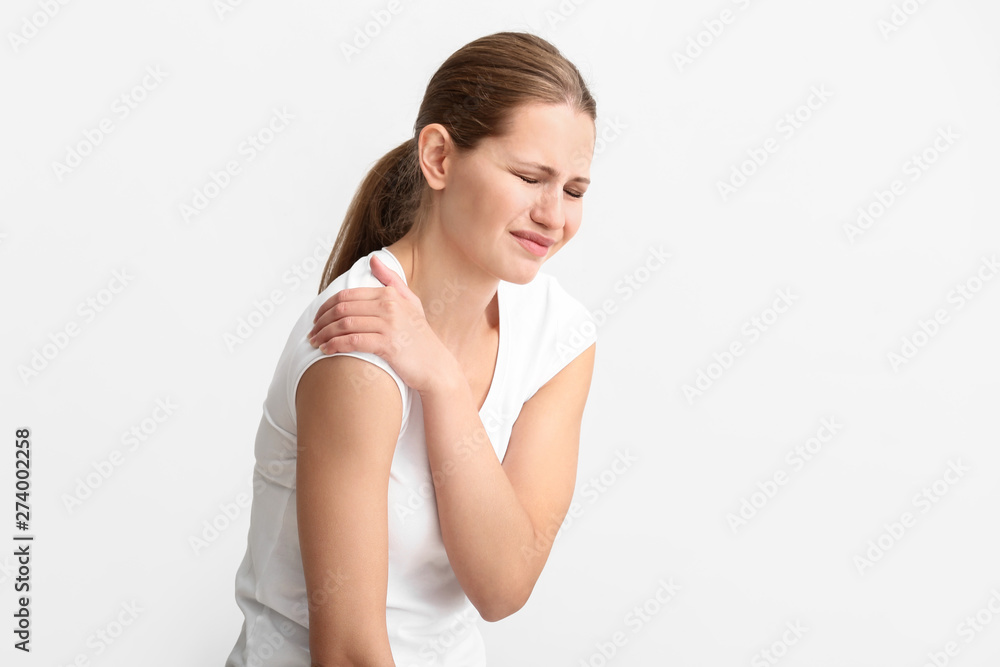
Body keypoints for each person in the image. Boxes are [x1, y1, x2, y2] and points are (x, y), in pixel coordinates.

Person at [225, 31, 599, 666]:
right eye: (529, 176)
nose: (552, 215)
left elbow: (503, 585)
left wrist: (443, 383)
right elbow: (345, 653)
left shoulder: (559, 335)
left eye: (573, 190)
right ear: (439, 158)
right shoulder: (355, 345)